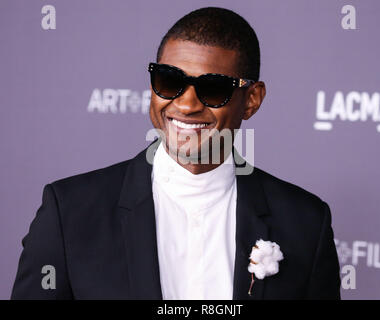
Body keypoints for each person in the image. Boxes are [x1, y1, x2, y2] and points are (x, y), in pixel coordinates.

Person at [11, 7, 340, 300]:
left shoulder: (306, 223)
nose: (185, 104)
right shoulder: (69, 213)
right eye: (169, 81)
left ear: (251, 99)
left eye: (213, 88)